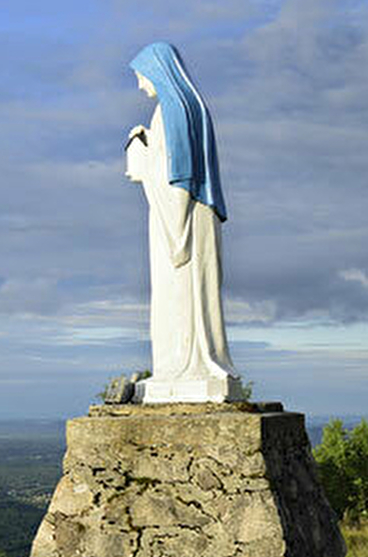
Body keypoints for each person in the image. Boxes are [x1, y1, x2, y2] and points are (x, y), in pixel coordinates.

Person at [124, 41, 242, 403]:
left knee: (180, 292)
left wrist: (138, 151)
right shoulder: (194, 107)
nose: (141, 85)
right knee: (198, 293)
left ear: (158, 72)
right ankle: (196, 364)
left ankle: (182, 366)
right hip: (198, 214)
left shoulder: (171, 108)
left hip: (182, 214)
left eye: (142, 76)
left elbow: (177, 171)